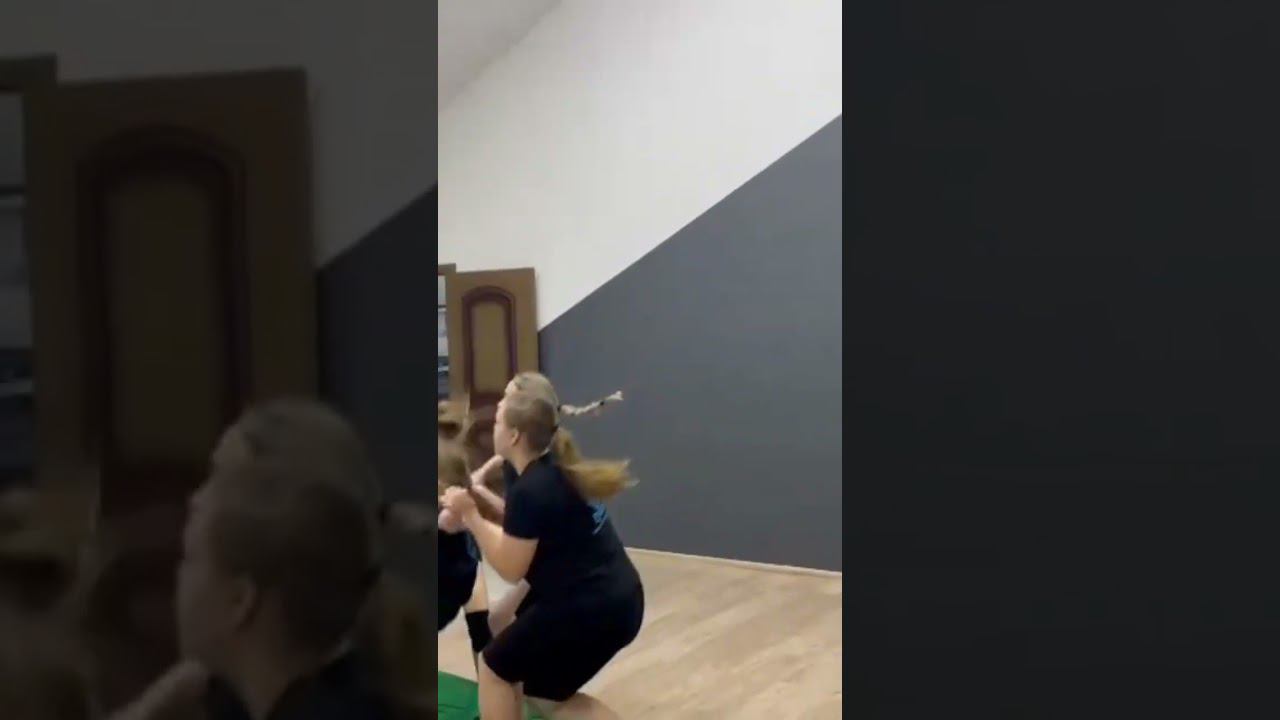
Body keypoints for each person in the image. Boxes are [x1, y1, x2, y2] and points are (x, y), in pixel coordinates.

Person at [442, 389, 643, 720]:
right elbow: (523, 528)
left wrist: (470, 515)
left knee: (500, 671)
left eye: (498, 421)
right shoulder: (544, 469)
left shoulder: (534, 488)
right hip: (610, 594)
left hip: (596, 607)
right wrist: (477, 496)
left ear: (514, 435)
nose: (492, 427)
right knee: (501, 633)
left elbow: (510, 566)